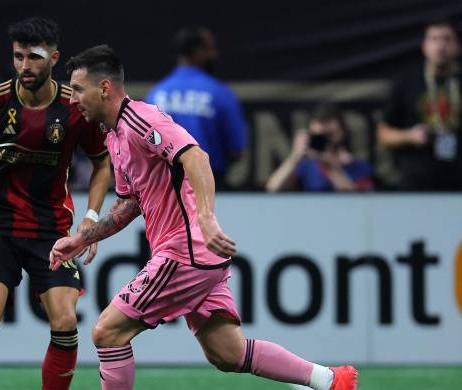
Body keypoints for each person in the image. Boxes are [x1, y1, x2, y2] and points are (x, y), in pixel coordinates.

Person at [51, 44, 358, 390]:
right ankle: (329, 380)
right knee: (227, 353)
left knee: (107, 332)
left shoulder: (141, 119)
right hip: (197, 256)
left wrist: (207, 218)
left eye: (78, 90)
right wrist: (83, 238)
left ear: (104, 88)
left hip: (185, 252)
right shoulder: (114, 135)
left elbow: (196, 157)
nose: (72, 99)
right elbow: (128, 204)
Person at [0, 18, 111, 390]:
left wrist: (90, 219)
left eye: (34, 57)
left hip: (51, 230)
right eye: (19, 57)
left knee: (66, 322)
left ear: (54, 58)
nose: (25, 66)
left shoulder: (75, 106)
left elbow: (103, 164)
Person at [146, 27, 248, 190]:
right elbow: (236, 150)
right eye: (210, 49)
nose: (214, 54)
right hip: (210, 186)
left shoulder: (156, 94)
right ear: (197, 52)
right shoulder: (220, 93)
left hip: (165, 190)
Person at [378, 20, 462, 190]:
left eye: (447, 39)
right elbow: (384, 133)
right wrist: (409, 136)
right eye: (434, 39)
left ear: (457, 46)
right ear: (424, 46)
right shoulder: (407, 82)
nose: (440, 46)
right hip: (418, 180)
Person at [265, 103, 373, 192]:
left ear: (342, 132)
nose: (324, 141)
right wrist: (295, 157)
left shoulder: (359, 167)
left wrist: (330, 167)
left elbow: (357, 200)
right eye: (318, 136)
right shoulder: (307, 166)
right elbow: (273, 188)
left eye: (329, 135)